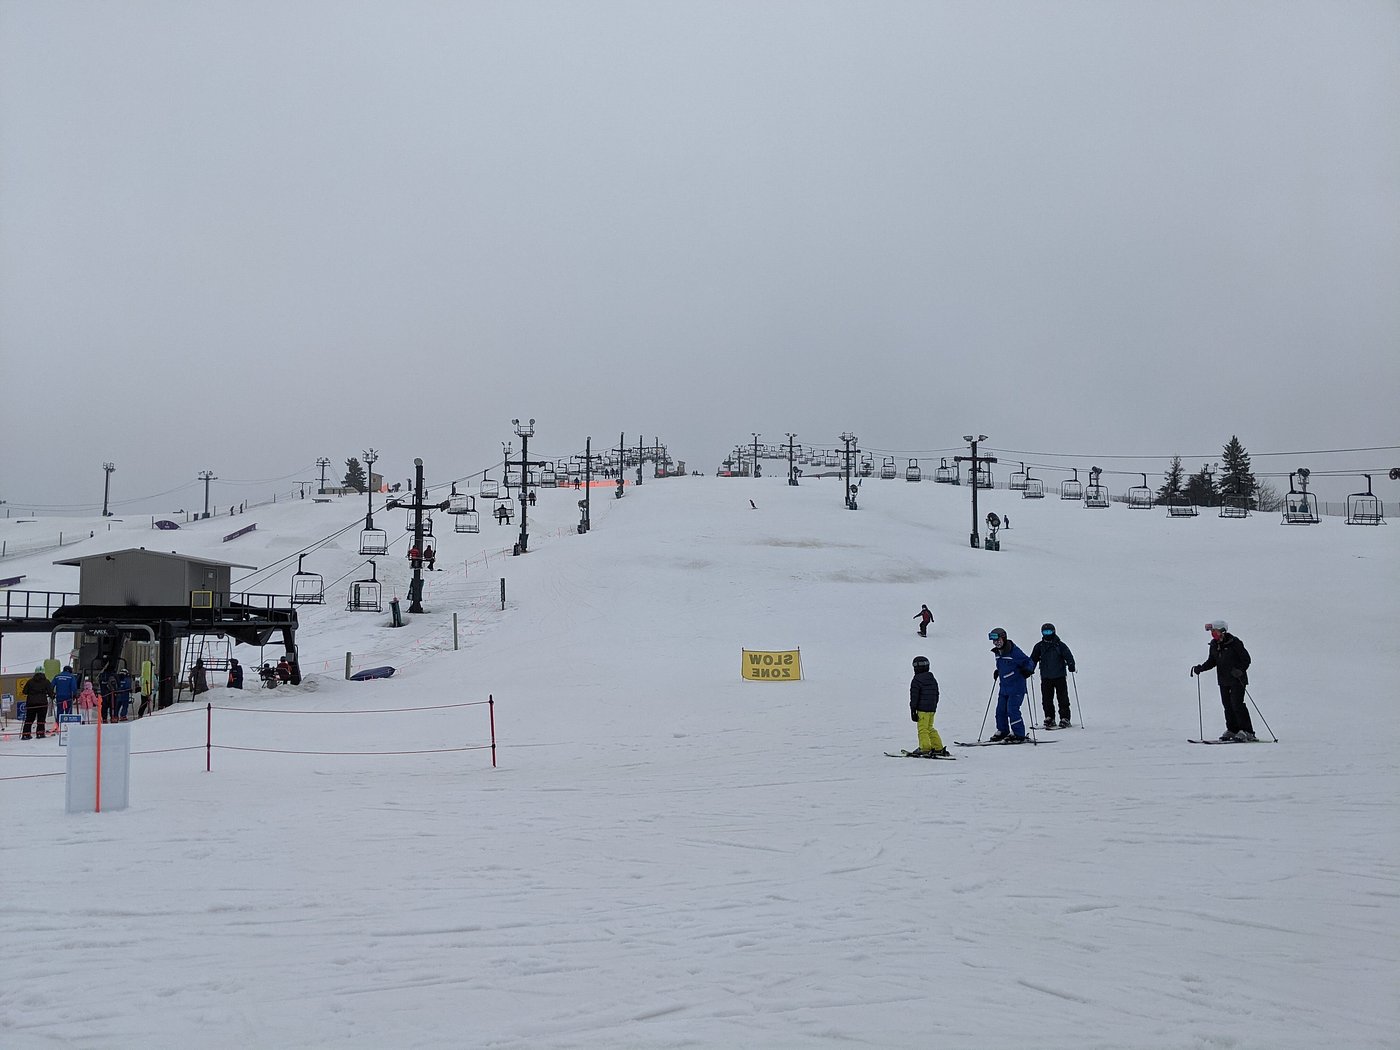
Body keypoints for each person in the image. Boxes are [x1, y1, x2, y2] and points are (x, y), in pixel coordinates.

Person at [1191, 620, 1256, 741]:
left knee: (1237, 704)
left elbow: (1246, 659)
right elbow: (1212, 661)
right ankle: (1233, 730)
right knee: (1227, 705)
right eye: (1211, 631)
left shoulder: (1235, 642)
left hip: (1237, 679)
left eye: (1214, 631)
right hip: (1223, 680)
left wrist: (1240, 670)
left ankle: (1247, 731)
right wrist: (1201, 668)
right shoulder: (1214, 644)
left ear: (1222, 631)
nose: (1212, 634)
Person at [988, 627, 1034, 742]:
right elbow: (1005, 665)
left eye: (998, 640)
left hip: (1017, 687)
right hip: (1004, 687)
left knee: (1012, 710)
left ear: (1004, 638)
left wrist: (1028, 670)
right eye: (994, 641)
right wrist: (998, 671)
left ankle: (1018, 734)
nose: (996, 643)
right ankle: (1002, 731)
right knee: (1000, 710)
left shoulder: (1014, 651)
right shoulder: (998, 653)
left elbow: (1029, 661)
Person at [1030, 623, 1077, 729]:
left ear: (1054, 631)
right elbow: (1033, 659)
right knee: (1047, 699)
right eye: (1045, 632)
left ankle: (1065, 718)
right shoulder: (1039, 646)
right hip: (1046, 677)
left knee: (1063, 698)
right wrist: (1029, 669)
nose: (1047, 634)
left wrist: (1071, 665)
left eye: (1049, 632)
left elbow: (1068, 655)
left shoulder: (1060, 645)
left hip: (1059, 676)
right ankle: (1049, 717)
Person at [908, 656, 949, 757]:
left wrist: (913, 710)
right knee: (930, 728)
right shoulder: (932, 678)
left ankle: (925, 748)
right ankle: (938, 747)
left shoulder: (916, 680)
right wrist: (934, 706)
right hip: (931, 709)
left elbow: (914, 696)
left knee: (923, 729)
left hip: (922, 710)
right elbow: (936, 693)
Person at [21, 667, 54, 740]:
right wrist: (52, 696)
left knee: (29, 719)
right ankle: (40, 734)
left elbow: (25, 691)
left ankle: (26, 734)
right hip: (42, 703)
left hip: (31, 703)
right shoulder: (46, 682)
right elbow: (50, 692)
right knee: (41, 719)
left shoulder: (30, 681)